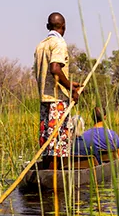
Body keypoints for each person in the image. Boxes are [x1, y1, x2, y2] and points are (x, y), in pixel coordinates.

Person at [34, 12, 82, 168]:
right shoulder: (59, 43)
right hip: (58, 101)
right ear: (64, 27)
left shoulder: (41, 45)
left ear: (48, 27)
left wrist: (69, 82)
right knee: (58, 142)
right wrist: (70, 89)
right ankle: (55, 177)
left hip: (45, 100)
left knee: (48, 141)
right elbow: (55, 69)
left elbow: (48, 72)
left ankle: (46, 173)